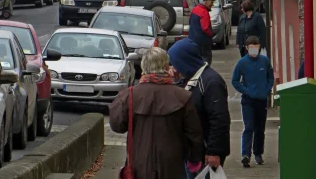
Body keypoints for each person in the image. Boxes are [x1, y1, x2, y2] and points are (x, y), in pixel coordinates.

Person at [109, 48, 203, 179]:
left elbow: (117, 126)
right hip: (173, 165)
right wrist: (194, 158)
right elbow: (194, 133)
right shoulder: (183, 97)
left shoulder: (129, 96)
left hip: (139, 164)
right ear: (165, 66)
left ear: (143, 66)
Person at [168, 39, 231, 178]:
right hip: (192, 152)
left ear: (185, 61)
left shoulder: (211, 83)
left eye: (176, 64)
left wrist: (214, 151)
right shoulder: (189, 79)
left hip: (205, 153)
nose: (175, 68)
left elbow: (220, 119)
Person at [232, 35, 274, 168]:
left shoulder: (265, 61)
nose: (254, 50)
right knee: (249, 127)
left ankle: (258, 153)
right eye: (251, 48)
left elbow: (270, 77)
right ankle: (245, 154)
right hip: (248, 101)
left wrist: (267, 89)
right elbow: (235, 80)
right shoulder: (242, 63)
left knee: (260, 129)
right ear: (247, 48)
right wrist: (246, 90)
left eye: (256, 47)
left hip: (261, 100)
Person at [189, 0, 215, 65]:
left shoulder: (194, 10)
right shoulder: (204, 12)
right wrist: (210, 34)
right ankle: (204, 73)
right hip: (203, 41)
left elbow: (190, 23)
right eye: (211, 2)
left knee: (196, 59)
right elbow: (205, 28)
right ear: (205, 2)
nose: (212, 5)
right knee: (206, 58)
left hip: (193, 39)